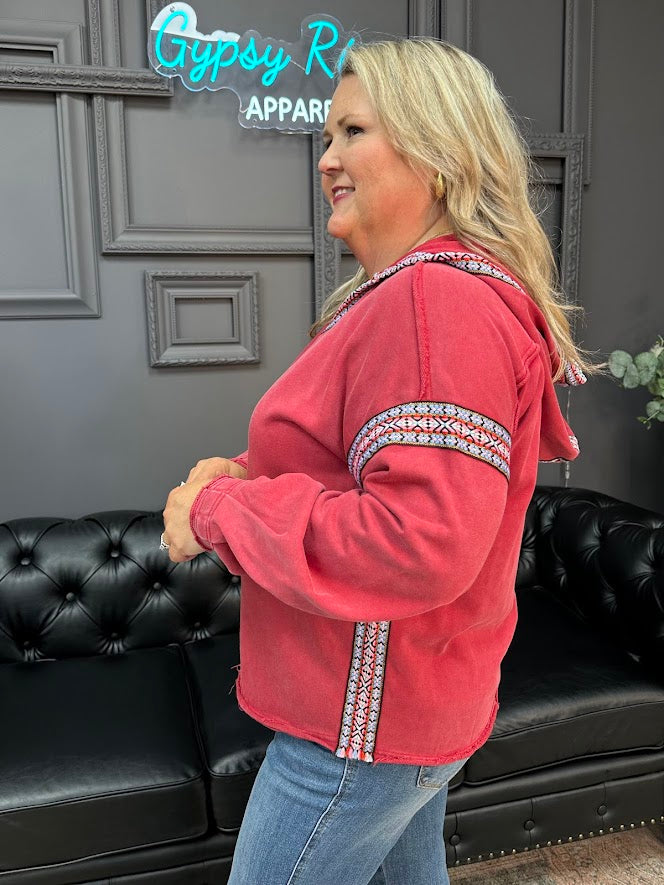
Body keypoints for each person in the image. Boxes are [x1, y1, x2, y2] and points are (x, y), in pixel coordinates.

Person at [161, 37, 593, 885]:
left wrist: (217, 512)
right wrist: (248, 470)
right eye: (327, 137)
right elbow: (370, 463)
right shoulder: (441, 293)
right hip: (408, 709)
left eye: (352, 130)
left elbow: (416, 541)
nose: (327, 159)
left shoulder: (435, 302)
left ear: (435, 154)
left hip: (360, 729)